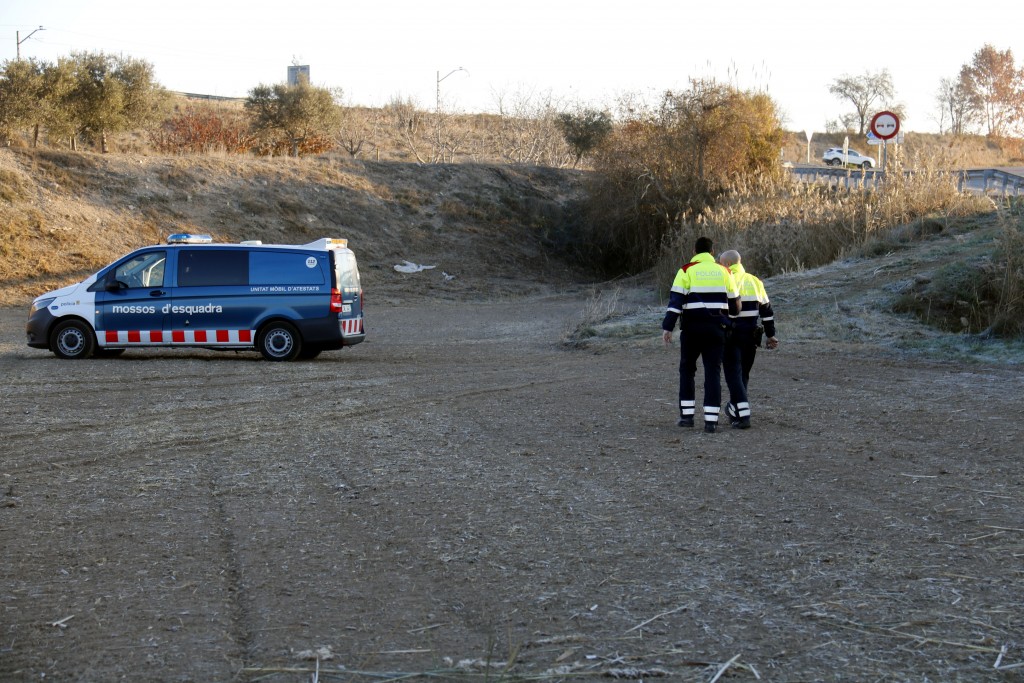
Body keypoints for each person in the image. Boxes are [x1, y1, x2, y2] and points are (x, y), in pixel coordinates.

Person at [661, 236, 741, 433]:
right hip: (716, 329)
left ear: (695, 252)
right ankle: (711, 422)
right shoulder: (725, 271)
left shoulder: (686, 270)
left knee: (687, 370)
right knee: (712, 372)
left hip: (691, 329)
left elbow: (676, 302)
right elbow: (735, 304)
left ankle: (687, 417)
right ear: (712, 253)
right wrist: (729, 319)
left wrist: (668, 327)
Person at [718, 250, 779, 429]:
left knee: (732, 375)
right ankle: (735, 409)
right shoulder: (755, 281)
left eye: (721, 263)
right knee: (743, 374)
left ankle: (743, 414)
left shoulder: (724, 280)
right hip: (751, 336)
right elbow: (766, 311)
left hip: (731, 335)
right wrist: (770, 335)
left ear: (727, 265)